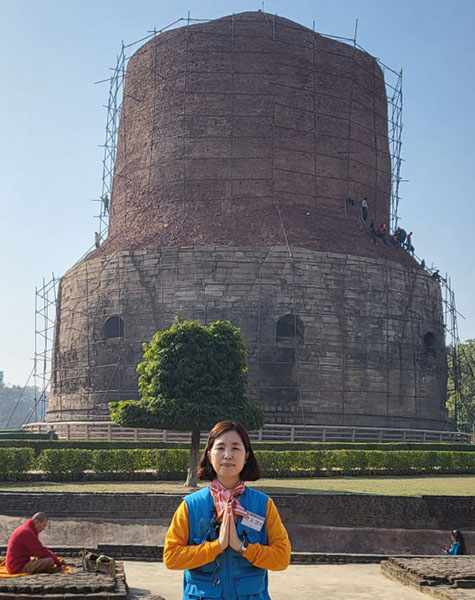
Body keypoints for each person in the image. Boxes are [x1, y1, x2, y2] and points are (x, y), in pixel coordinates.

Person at [164, 421, 291, 599]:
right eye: (220, 447)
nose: (228, 455)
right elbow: (171, 557)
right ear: (209, 454)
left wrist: (242, 547)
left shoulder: (263, 505)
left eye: (236, 448)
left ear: (246, 456)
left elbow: (281, 558)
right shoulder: (191, 506)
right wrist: (218, 546)